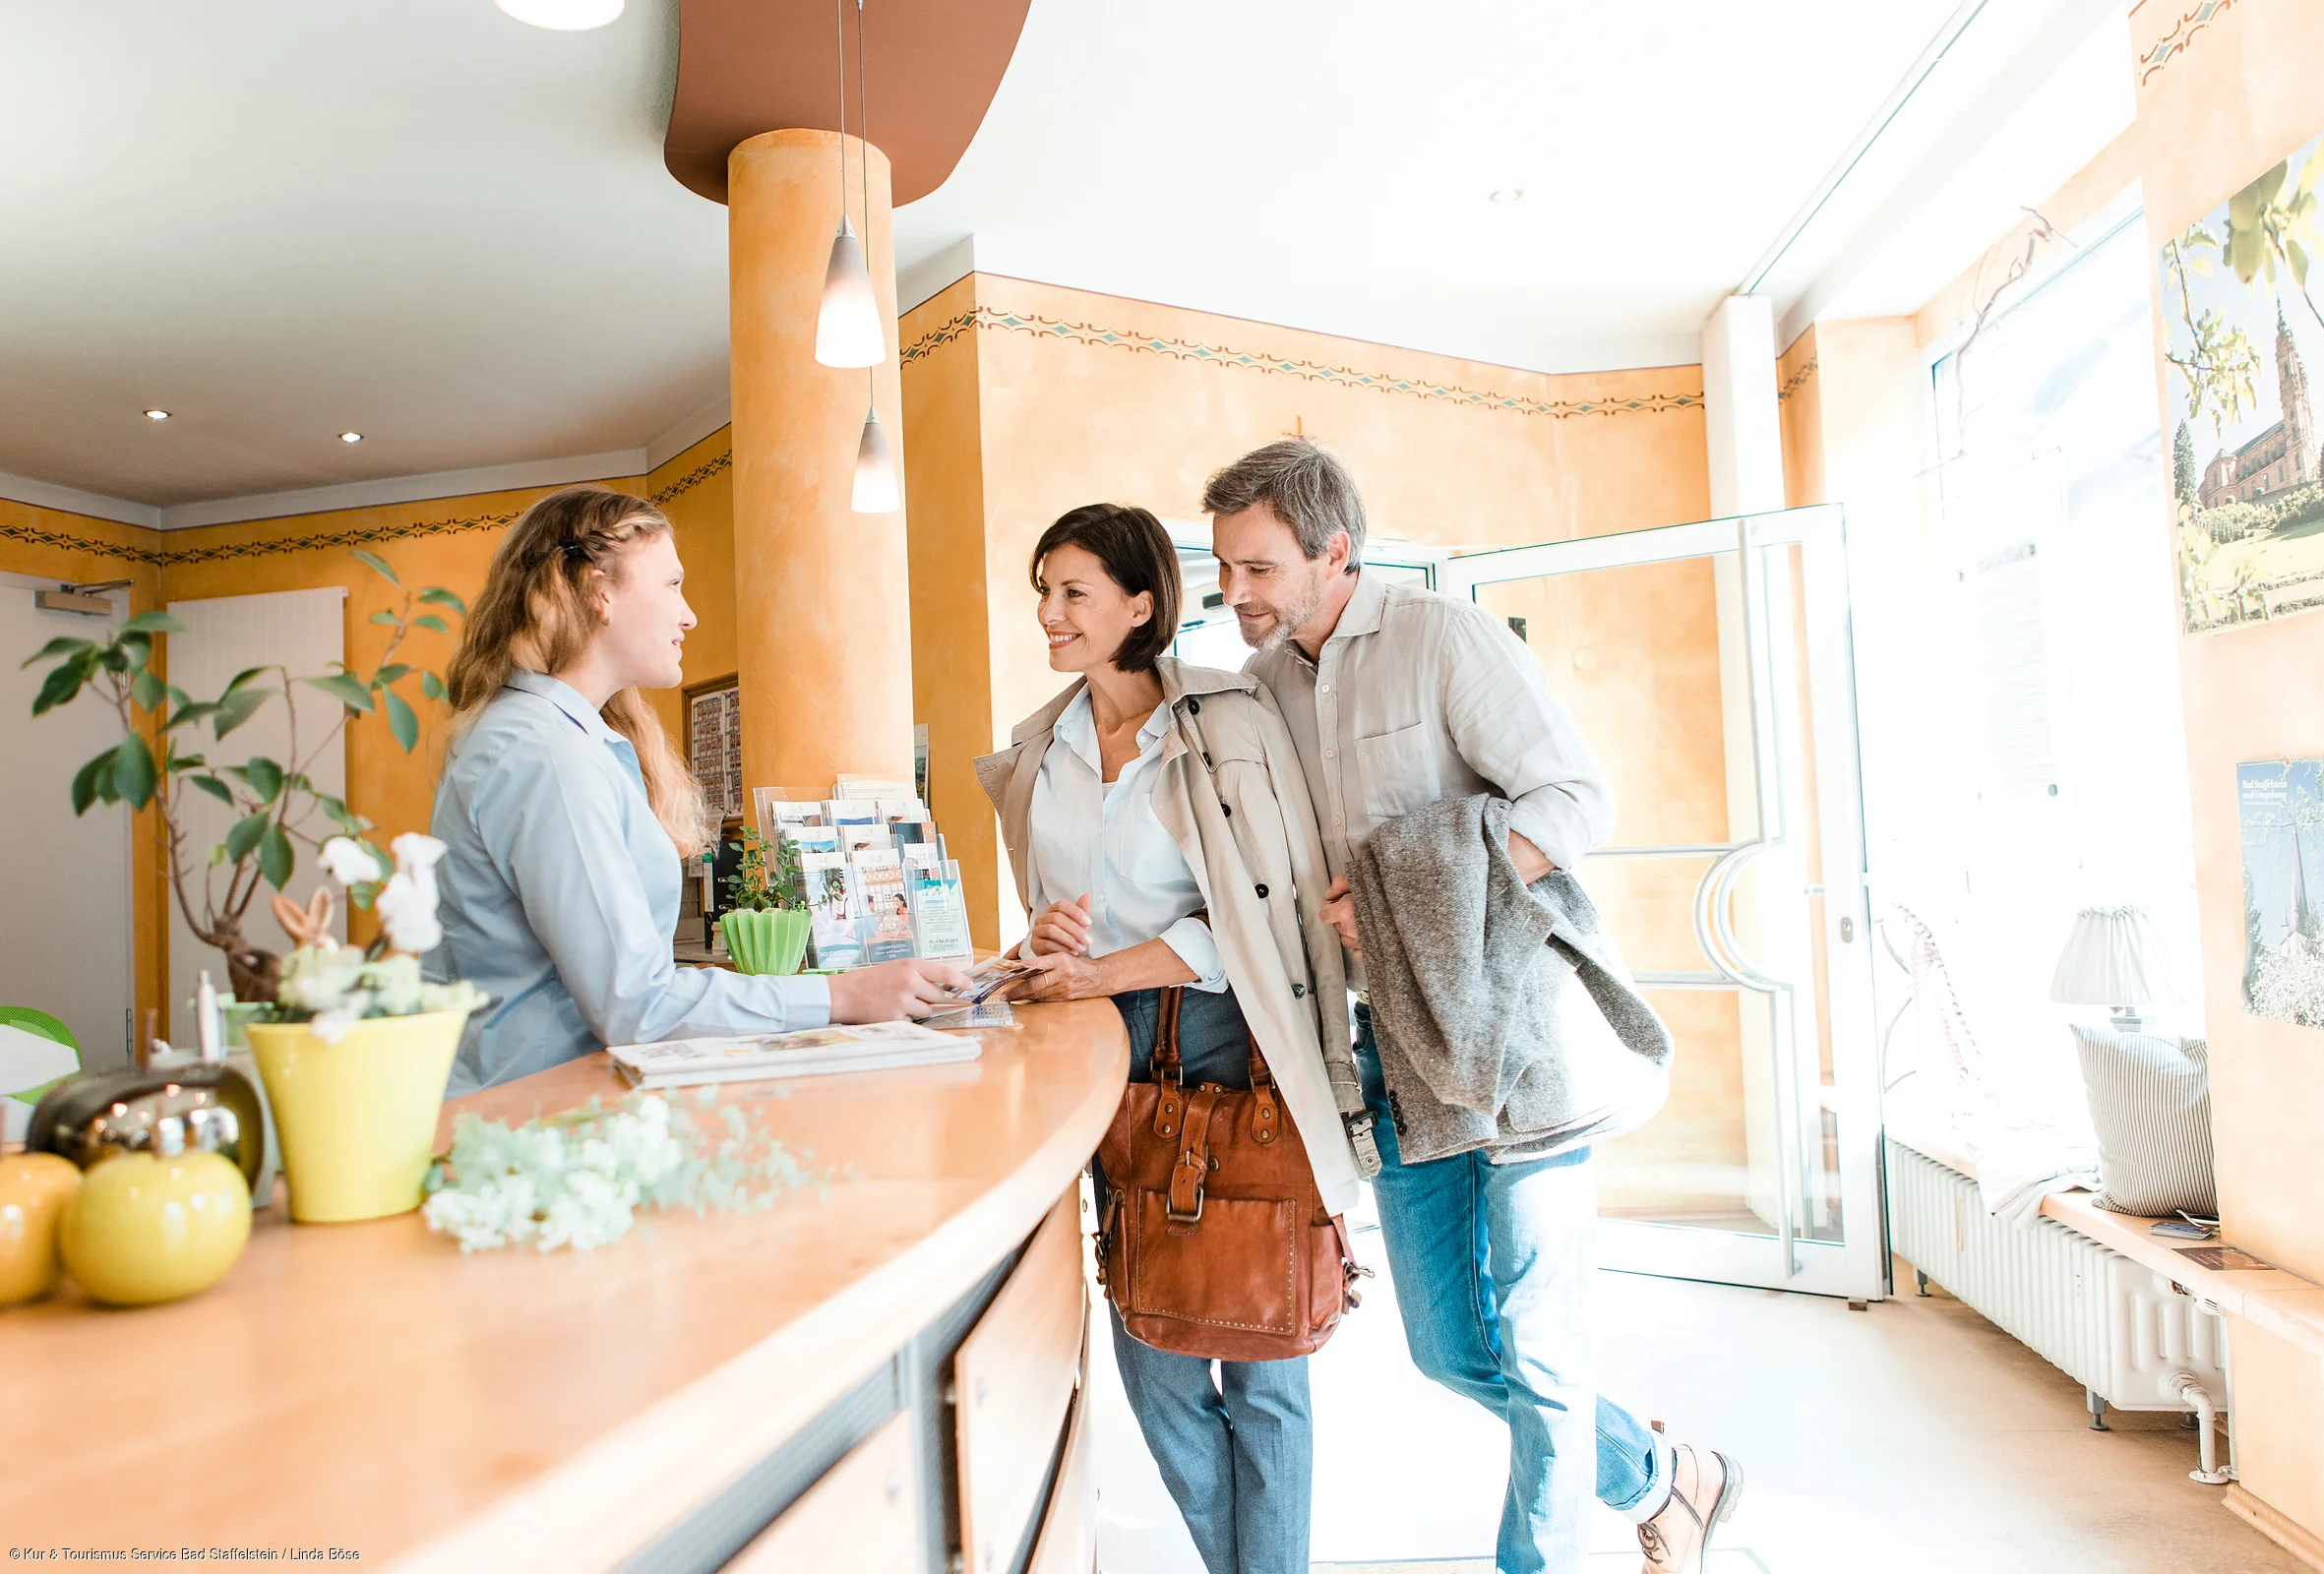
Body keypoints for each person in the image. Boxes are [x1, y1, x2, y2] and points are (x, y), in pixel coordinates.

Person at [1207, 441, 1743, 1574]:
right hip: (1392, 1051)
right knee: (1450, 1350)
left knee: (1543, 1354)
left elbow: (1576, 802)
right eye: (1224, 569)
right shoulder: (1258, 693)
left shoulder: (1441, 637)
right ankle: (1664, 1479)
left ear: (1333, 552)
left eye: (1255, 567)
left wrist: (1404, 891)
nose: (1234, 593)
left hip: (1523, 1036)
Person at [974, 503, 1363, 1574]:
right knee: (1151, 1335)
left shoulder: (1228, 722)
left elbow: (1259, 912)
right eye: (1042, 591)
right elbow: (1066, 908)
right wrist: (1051, 940)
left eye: (1072, 593)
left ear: (1141, 604)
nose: (1048, 615)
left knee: (1262, 1340)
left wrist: (1108, 968)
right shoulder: (1041, 745)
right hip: (1100, 1048)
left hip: (1230, 1042)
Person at [427, 485, 969, 1092]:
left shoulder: (565, 741)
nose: (689, 615)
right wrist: (841, 995)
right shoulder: (544, 754)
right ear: (599, 593)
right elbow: (638, 1007)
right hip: (531, 1117)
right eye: (671, 584)